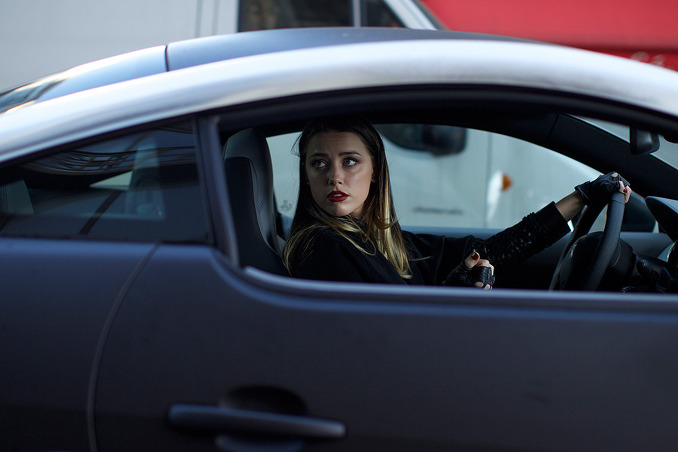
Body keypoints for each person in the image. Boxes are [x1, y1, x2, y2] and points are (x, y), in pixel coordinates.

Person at [282, 117, 631, 289]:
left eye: (350, 161)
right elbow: (376, 341)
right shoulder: (322, 247)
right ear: (306, 174)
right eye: (319, 163)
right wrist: (456, 292)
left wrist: (582, 196)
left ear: (376, 171)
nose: (335, 177)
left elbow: (491, 251)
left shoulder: (381, 239)